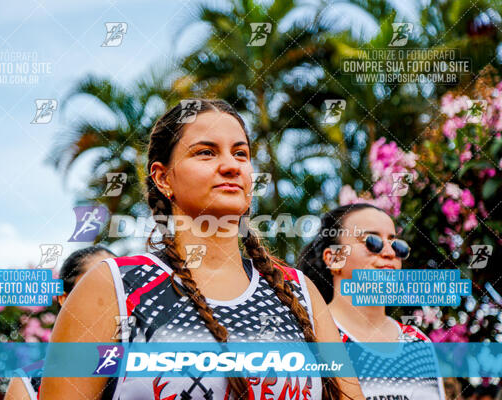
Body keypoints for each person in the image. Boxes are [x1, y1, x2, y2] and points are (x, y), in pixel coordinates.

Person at [40, 99, 364, 399]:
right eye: (206, 152)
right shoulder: (115, 287)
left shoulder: (298, 292)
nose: (230, 166)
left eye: (241, 153)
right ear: (163, 178)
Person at [298, 203, 446, 399]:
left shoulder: (419, 345)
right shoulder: (306, 337)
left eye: (396, 245)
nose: (390, 253)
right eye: (372, 242)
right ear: (334, 258)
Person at [4, 245, 116, 400]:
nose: (111, 295)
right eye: (95, 283)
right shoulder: (29, 383)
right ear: (64, 298)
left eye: (119, 284)